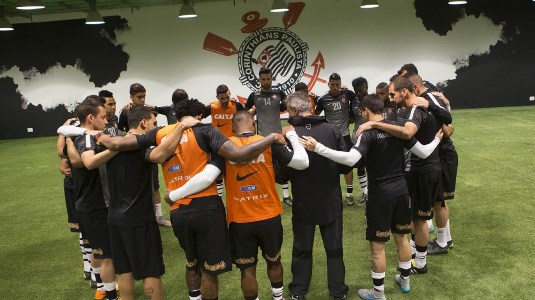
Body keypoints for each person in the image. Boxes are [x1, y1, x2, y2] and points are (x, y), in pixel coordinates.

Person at [101, 99, 285, 300]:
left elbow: (119, 143)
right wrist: (271, 138)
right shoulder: (207, 130)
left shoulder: (161, 132)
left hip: (178, 212)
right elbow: (238, 154)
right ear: (198, 116)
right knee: (209, 269)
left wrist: (99, 137)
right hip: (207, 209)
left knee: (191, 262)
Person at [300, 94, 442, 300]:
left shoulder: (367, 133)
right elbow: (423, 152)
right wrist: (437, 138)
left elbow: (350, 159)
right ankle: (404, 280)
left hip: (381, 196)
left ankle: (378, 293)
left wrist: (318, 148)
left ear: (365, 111)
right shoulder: (397, 129)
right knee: (402, 238)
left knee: (378, 248)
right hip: (402, 191)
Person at [98, 106, 199, 300]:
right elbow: (160, 155)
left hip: (115, 218)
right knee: (150, 272)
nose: (155, 128)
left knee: (125, 271)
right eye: (153, 124)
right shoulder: (140, 148)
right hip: (139, 220)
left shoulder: (112, 144)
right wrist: (181, 127)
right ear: (143, 123)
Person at [356, 77, 452, 275]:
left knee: (419, 219)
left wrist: (375, 125)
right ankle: (416, 257)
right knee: (415, 219)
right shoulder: (414, 108)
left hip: (424, 170)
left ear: (406, 92)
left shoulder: (417, 109)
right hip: (421, 168)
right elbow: (448, 125)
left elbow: (408, 133)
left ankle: (421, 263)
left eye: (392, 94)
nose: (390, 99)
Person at [278, 91, 351, 300]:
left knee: (302, 249)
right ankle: (338, 292)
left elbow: (282, 176)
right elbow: (345, 166)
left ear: (293, 110)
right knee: (334, 249)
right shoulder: (333, 129)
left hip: (303, 202)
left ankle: (299, 290)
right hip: (331, 201)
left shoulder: (287, 134)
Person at [65, 96, 119, 300]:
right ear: (90, 118)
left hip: (84, 203)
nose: (106, 121)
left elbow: (63, 138)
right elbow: (88, 162)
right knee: (107, 256)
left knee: (96, 250)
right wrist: (115, 149)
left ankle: (101, 288)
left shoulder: (75, 137)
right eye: (103, 117)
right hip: (96, 205)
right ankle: (111, 294)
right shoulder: (86, 138)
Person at [409, 74, 458, 255]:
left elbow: (448, 127)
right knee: (439, 201)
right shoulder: (426, 98)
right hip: (437, 155)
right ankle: (446, 239)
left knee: (439, 201)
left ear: (413, 87)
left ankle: (443, 242)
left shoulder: (429, 98)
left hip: (442, 155)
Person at [118, 83, 171, 226]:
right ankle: (142, 214)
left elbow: (153, 130)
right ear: (131, 97)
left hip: (149, 150)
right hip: (133, 152)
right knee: (135, 183)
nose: (142, 99)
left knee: (154, 184)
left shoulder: (149, 110)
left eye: (144, 96)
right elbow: (120, 131)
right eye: (138, 97)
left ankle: (158, 216)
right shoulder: (125, 112)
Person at [245, 67, 292, 206]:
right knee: (264, 170)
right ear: (259, 80)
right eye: (263, 79)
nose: (266, 81)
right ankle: (267, 196)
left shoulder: (279, 93)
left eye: (268, 79)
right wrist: (250, 117)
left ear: (272, 78)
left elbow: (287, 105)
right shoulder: (254, 95)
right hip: (262, 140)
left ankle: (286, 196)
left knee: (284, 167)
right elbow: (246, 112)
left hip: (278, 138)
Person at [56, 117, 94, 287]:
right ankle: (89, 268)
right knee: (83, 228)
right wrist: (66, 127)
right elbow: (61, 155)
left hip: (87, 187)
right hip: (75, 187)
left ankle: (93, 270)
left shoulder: (96, 132)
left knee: (89, 229)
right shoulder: (75, 133)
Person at [315, 73, 356, 206]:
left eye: (338, 84)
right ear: (328, 84)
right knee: (330, 166)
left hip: (344, 136)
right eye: (332, 84)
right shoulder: (323, 99)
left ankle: (349, 195)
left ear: (341, 84)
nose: (335, 87)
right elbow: (314, 114)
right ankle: (332, 195)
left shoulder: (347, 94)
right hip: (330, 136)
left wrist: (348, 89)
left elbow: (357, 98)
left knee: (348, 166)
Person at [202, 84, 244, 197]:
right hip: (216, 145)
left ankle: (237, 194)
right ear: (217, 97)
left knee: (236, 171)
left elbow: (245, 119)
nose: (225, 100)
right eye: (222, 98)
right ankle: (219, 197)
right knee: (218, 172)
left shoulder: (237, 105)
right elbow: (198, 116)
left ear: (229, 94)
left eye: (227, 97)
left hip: (233, 145)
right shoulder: (212, 107)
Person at [350, 77, 370, 205]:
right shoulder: (354, 101)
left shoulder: (374, 100)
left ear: (366, 87)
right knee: (360, 167)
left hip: (372, 139)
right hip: (357, 139)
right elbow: (351, 118)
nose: (358, 93)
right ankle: (365, 193)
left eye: (361, 90)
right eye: (356, 91)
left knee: (373, 166)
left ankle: (373, 192)